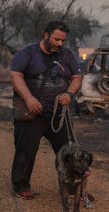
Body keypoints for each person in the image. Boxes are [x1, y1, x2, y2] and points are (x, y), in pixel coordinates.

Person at [10, 21, 82, 199]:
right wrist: (29, 99)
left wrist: (69, 93)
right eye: (56, 39)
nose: (60, 43)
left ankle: (72, 187)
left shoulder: (67, 55)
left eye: (63, 40)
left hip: (58, 114)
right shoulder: (28, 53)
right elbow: (16, 75)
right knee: (25, 151)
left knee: (68, 152)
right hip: (31, 112)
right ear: (46, 35)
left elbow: (77, 77)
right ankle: (21, 186)